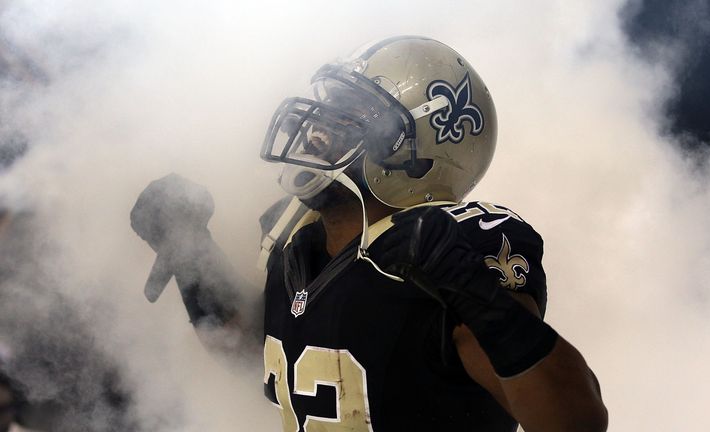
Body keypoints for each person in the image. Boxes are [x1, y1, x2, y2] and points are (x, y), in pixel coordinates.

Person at [131, 36, 608, 431]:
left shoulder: (459, 250)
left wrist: (471, 288)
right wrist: (192, 253)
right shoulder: (299, 240)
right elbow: (255, 350)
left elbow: (575, 423)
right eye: (329, 107)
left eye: (350, 114)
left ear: (416, 157)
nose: (317, 129)